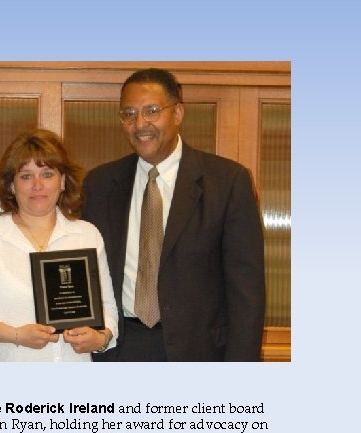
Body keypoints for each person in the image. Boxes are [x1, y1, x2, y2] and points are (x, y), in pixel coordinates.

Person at [82, 68, 265, 361]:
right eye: (128, 114)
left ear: (178, 113)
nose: (140, 124)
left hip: (198, 353)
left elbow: (247, 292)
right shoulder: (100, 184)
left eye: (151, 111)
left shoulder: (227, 181)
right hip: (118, 350)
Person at [0, 129, 117, 361]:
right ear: (12, 186)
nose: (37, 185)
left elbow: (107, 307)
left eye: (47, 174)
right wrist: (14, 335)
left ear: (63, 181)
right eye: (25, 176)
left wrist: (101, 338)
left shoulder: (87, 235)